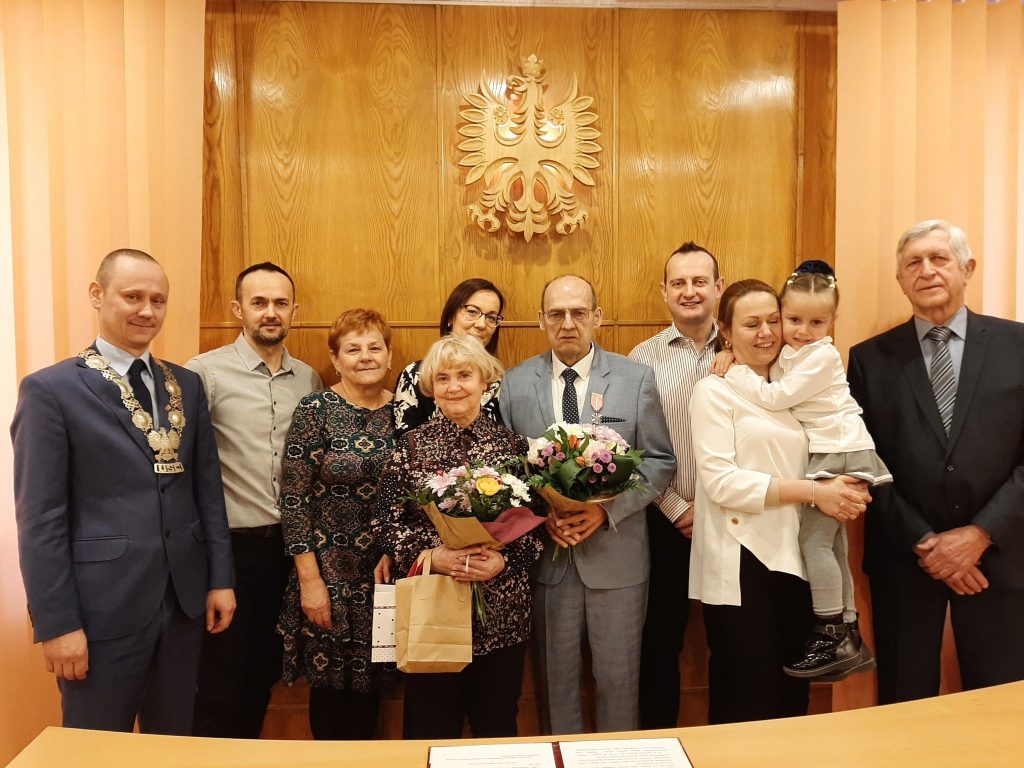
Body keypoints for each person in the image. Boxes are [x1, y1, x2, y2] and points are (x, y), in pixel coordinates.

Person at [11, 248, 235, 734]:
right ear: (98, 295)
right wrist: (57, 624)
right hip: (100, 612)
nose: (147, 311)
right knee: (94, 750)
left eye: (158, 300)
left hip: (183, 604)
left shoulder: (186, 385)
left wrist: (221, 578)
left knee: (172, 746)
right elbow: (40, 520)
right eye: (133, 297)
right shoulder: (51, 390)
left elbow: (206, 491)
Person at [848, 219, 1024, 704]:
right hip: (906, 560)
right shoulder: (869, 359)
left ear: (967, 269)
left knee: (1002, 706)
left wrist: (979, 534)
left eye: (939, 258)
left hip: (1002, 557)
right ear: (900, 280)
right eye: (913, 263)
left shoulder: (1019, 346)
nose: (926, 271)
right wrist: (926, 542)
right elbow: (864, 462)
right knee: (904, 703)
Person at [499, 275, 676, 734]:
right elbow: (509, 473)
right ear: (540, 320)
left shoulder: (635, 379)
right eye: (556, 314)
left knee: (619, 683)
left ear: (597, 316)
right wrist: (543, 517)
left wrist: (605, 511)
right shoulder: (514, 384)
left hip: (618, 561)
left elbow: (659, 462)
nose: (568, 323)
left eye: (578, 312)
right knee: (555, 686)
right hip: (550, 560)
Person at [688, 279, 869, 724]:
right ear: (725, 330)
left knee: (792, 702)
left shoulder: (795, 385)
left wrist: (850, 481)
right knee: (747, 697)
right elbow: (723, 483)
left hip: (798, 556)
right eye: (752, 324)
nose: (767, 332)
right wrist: (815, 492)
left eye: (774, 320)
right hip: (740, 562)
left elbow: (835, 440)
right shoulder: (714, 390)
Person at [716, 261, 887, 680]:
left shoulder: (821, 356)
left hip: (840, 452)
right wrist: (728, 351)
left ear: (833, 322)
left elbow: (776, 397)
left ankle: (830, 630)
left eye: (816, 322)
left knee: (814, 543)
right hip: (833, 452)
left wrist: (735, 370)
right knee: (831, 543)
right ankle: (849, 631)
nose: (802, 331)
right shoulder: (793, 353)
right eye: (793, 320)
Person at [375, 334, 544, 739]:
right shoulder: (408, 448)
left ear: (485, 381)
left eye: (464, 375)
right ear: (431, 387)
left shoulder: (514, 448)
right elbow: (385, 525)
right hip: (432, 611)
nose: (453, 387)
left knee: (496, 727)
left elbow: (539, 525)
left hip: (501, 613)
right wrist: (433, 556)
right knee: (430, 728)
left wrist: (505, 559)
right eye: (443, 378)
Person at [187, 262, 322, 738]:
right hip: (229, 550)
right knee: (218, 680)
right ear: (237, 308)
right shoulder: (203, 374)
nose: (270, 312)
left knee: (264, 674)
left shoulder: (308, 380)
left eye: (280, 303)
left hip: (287, 552)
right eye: (259, 302)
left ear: (294, 311)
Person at [277, 309, 395, 739]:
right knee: (329, 692)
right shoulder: (316, 409)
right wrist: (310, 582)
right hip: (328, 574)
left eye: (375, 347)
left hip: (386, 573)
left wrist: (395, 549)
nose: (365, 357)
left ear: (389, 356)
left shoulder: (404, 413)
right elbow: (294, 500)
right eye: (353, 349)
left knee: (372, 689)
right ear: (335, 358)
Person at [628, 242, 723, 729]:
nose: (690, 291)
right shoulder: (640, 360)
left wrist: (717, 509)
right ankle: (657, 744)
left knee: (732, 643)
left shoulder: (748, 348)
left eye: (700, 281)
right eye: (679, 283)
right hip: (667, 522)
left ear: (718, 288)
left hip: (736, 522)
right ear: (664, 291)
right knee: (660, 642)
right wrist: (676, 508)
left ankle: (732, 745)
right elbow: (630, 449)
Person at [393, 278, 504, 436]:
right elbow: (406, 442)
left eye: (491, 317)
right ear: (451, 317)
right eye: (472, 312)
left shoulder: (502, 381)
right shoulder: (415, 375)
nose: (481, 324)